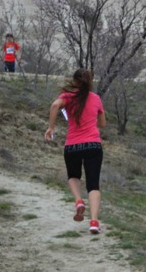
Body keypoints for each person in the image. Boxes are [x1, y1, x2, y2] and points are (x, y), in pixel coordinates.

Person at [45, 69, 106, 234]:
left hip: (72, 145)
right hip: (93, 145)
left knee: (73, 176)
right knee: (93, 185)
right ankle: (94, 222)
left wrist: (51, 127)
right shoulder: (96, 99)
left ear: (75, 80)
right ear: (90, 82)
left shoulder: (67, 97)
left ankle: (79, 201)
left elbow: (54, 105)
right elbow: (102, 124)